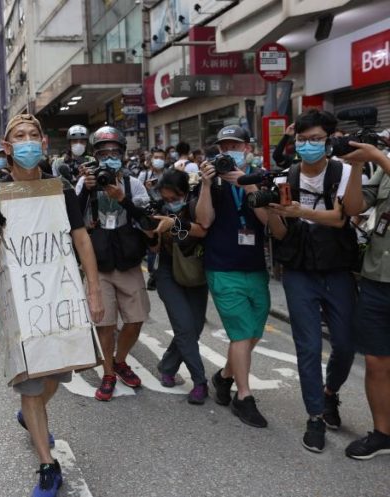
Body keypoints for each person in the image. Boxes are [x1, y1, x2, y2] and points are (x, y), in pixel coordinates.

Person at [0, 113, 104, 497]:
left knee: (54, 378)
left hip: (59, 303)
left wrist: (93, 289)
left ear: (44, 143)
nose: (28, 141)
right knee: (31, 389)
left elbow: (82, 241)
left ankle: (29, 418)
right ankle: (48, 465)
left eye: (34, 135)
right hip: (21, 308)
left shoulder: (61, 191)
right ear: (8, 147)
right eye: (20, 136)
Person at [265, 110, 357, 452]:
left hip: (337, 269)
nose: (308, 145)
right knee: (308, 346)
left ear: (329, 139)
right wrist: (273, 212)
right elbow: (280, 234)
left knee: (346, 345)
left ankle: (330, 393)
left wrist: (302, 212)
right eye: (302, 140)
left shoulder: (344, 172)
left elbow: (343, 216)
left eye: (316, 139)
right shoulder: (284, 178)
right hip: (299, 271)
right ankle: (315, 416)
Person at [196, 124, 271, 428]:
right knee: (240, 332)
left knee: (254, 331)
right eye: (223, 147)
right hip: (222, 266)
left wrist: (248, 185)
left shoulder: (260, 176)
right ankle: (244, 396)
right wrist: (203, 185)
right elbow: (202, 221)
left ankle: (224, 376)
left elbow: (269, 221)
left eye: (235, 146)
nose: (229, 152)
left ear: (247, 149)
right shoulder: (211, 182)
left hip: (254, 266)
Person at [75, 126, 152, 401]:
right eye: (103, 153)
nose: (109, 158)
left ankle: (121, 359)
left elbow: (147, 220)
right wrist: (87, 190)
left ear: (123, 154)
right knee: (104, 323)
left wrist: (124, 199)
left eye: (114, 152)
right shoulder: (86, 183)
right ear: (95, 156)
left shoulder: (134, 184)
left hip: (128, 260)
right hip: (99, 261)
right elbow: (73, 219)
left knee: (137, 317)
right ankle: (109, 371)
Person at [340, 141, 390, 460]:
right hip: (377, 278)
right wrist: (358, 166)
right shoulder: (383, 166)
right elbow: (354, 207)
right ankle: (383, 434)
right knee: (375, 361)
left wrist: (378, 158)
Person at [150, 169, 210, 404]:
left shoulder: (197, 205)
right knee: (184, 327)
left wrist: (174, 224)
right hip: (166, 271)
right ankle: (200, 381)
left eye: (174, 199)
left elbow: (203, 230)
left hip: (195, 270)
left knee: (194, 327)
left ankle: (168, 365)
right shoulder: (157, 208)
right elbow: (153, 248)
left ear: (185, 194)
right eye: (165, 199)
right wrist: (151, 231)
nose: (170, 203)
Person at [138, 149, 166, 290]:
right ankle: (153, 274)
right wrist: (146, 188)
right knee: (152, 247)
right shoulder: (144, 175)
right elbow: (138, 195)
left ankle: (162, 273)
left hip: (166, 213)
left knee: (165, 245)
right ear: (151, 159)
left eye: (161, 157)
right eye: (156, 157)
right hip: (150, 215)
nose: (159, 160)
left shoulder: (168, 175)